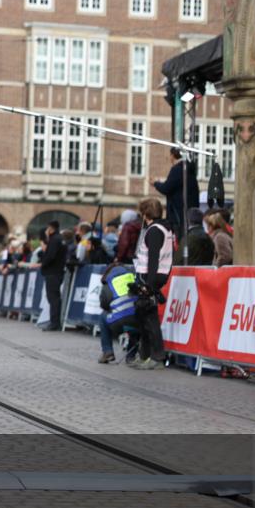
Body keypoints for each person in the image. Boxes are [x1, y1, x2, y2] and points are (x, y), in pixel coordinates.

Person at [131, 198, 173, 370]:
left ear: (145, 214)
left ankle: (156, 356)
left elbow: (153, 259)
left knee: (150, 319)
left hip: (150, 277)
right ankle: (145, 354)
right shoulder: (162, 228)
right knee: (144, 318)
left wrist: (148, 285)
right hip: (152, 276)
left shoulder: (154, 231)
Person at [153, 147, 200, 238]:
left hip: (178, 214)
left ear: (173, 156)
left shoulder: (178, 169)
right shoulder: (189, 169)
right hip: (188, 212)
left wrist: (155, 183)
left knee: (178, 241)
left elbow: (167, 188)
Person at [97, 263, 138, 364]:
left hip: (118, 323)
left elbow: (104, 305)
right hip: (137, 322)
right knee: (134, 318)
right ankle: (130, 356)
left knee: (103, 316)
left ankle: (107, 352)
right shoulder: (133, 276)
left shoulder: (108, 283)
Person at [39, 220, 67, 331]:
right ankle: (55, 321)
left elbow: (51, 256)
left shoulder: (55, 240)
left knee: (53, 298)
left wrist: (43, 264)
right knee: (54, 297)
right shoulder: (60, 239)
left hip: (53, 272)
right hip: (57, 271)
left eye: (47, 229)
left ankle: (54, 322)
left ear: (50, 228)